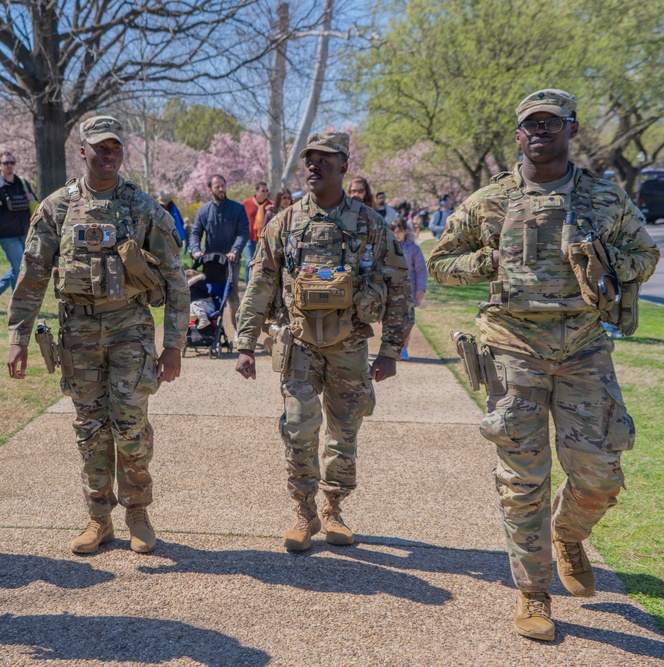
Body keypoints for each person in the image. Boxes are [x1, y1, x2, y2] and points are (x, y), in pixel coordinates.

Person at [426, 89, 659, 641]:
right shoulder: (490, 200)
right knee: (521, 481)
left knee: (600, 474)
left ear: (571, 129)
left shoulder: (604, 195)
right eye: (530, 123)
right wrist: (491, 259)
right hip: (513, 349)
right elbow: (441, 263)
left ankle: (569, 532)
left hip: (583, 348)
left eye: (551, 123)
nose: (539, 131)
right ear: (517, 134)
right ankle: (534, 593)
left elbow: (646, 255)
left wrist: (604, 261)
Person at [7, 115, 189, 556]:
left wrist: (174, 345)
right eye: (100, 147)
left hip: (130, 327)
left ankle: (138, 513)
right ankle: (98, 518)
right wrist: (17, 335)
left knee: (130, 425)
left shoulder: (142, 207)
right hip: (78, 332)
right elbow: (32, 276)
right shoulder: (56, 207)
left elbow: (175, 278)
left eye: (115, 147)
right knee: (89, 427)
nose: (108, 155)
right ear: (82, 150)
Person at [235, 131, 413, 553]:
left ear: (345, 166)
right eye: (310, 160)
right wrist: (244, 343)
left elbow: (398, 286)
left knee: (344, 431)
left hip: (349, 345)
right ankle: (304, 511)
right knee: (298, 427)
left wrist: (390, 350)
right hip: (300, 344)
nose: (315, 166)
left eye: (325, 160)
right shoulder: (285, 222)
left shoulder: (370, 224)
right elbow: (259, 282)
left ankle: (333, 508)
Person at [0, 151, 37, 307]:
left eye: (12, 162)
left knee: (20, 267)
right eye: (6, 163)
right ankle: (18, 305)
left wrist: (33, 200)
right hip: (6, 235)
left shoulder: (22, 184)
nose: (9, 165)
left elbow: (35, 205)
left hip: (25, 232)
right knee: (19, 268)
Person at [190, 174, 249, 321]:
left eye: (223, 186)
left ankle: (238, 332)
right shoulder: (203, 211)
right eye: (217, 187)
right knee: (207, 294)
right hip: (210, 262)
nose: (222, 189)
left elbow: (243, 233)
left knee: (232, 296)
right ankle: (209, 329)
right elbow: (195, 233)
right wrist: (195, 250)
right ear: (210, 190)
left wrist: (234, 251)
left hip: (231, 261)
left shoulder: (237, 209)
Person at [389, 218, 426, 360]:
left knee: (406, 322)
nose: (396, 234)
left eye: (399, 231)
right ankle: (391, 349)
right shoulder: (386, 247)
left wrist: (421, 289)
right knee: (391, 321)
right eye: (394, 231)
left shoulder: (413, 248)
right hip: (390, 290)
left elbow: (421, 270)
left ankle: (404, 348)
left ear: (405, 231)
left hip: (408, 291)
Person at [241, 182, 272, 285]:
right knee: (249, 262)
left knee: (262, 264)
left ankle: (258, 287)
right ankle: (248, 286)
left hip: (264, 239)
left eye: (266, 190)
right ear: (256, 192)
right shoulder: (246, 203)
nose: (265, 193)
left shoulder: (270, 204)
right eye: (263, 191)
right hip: (249, 238)